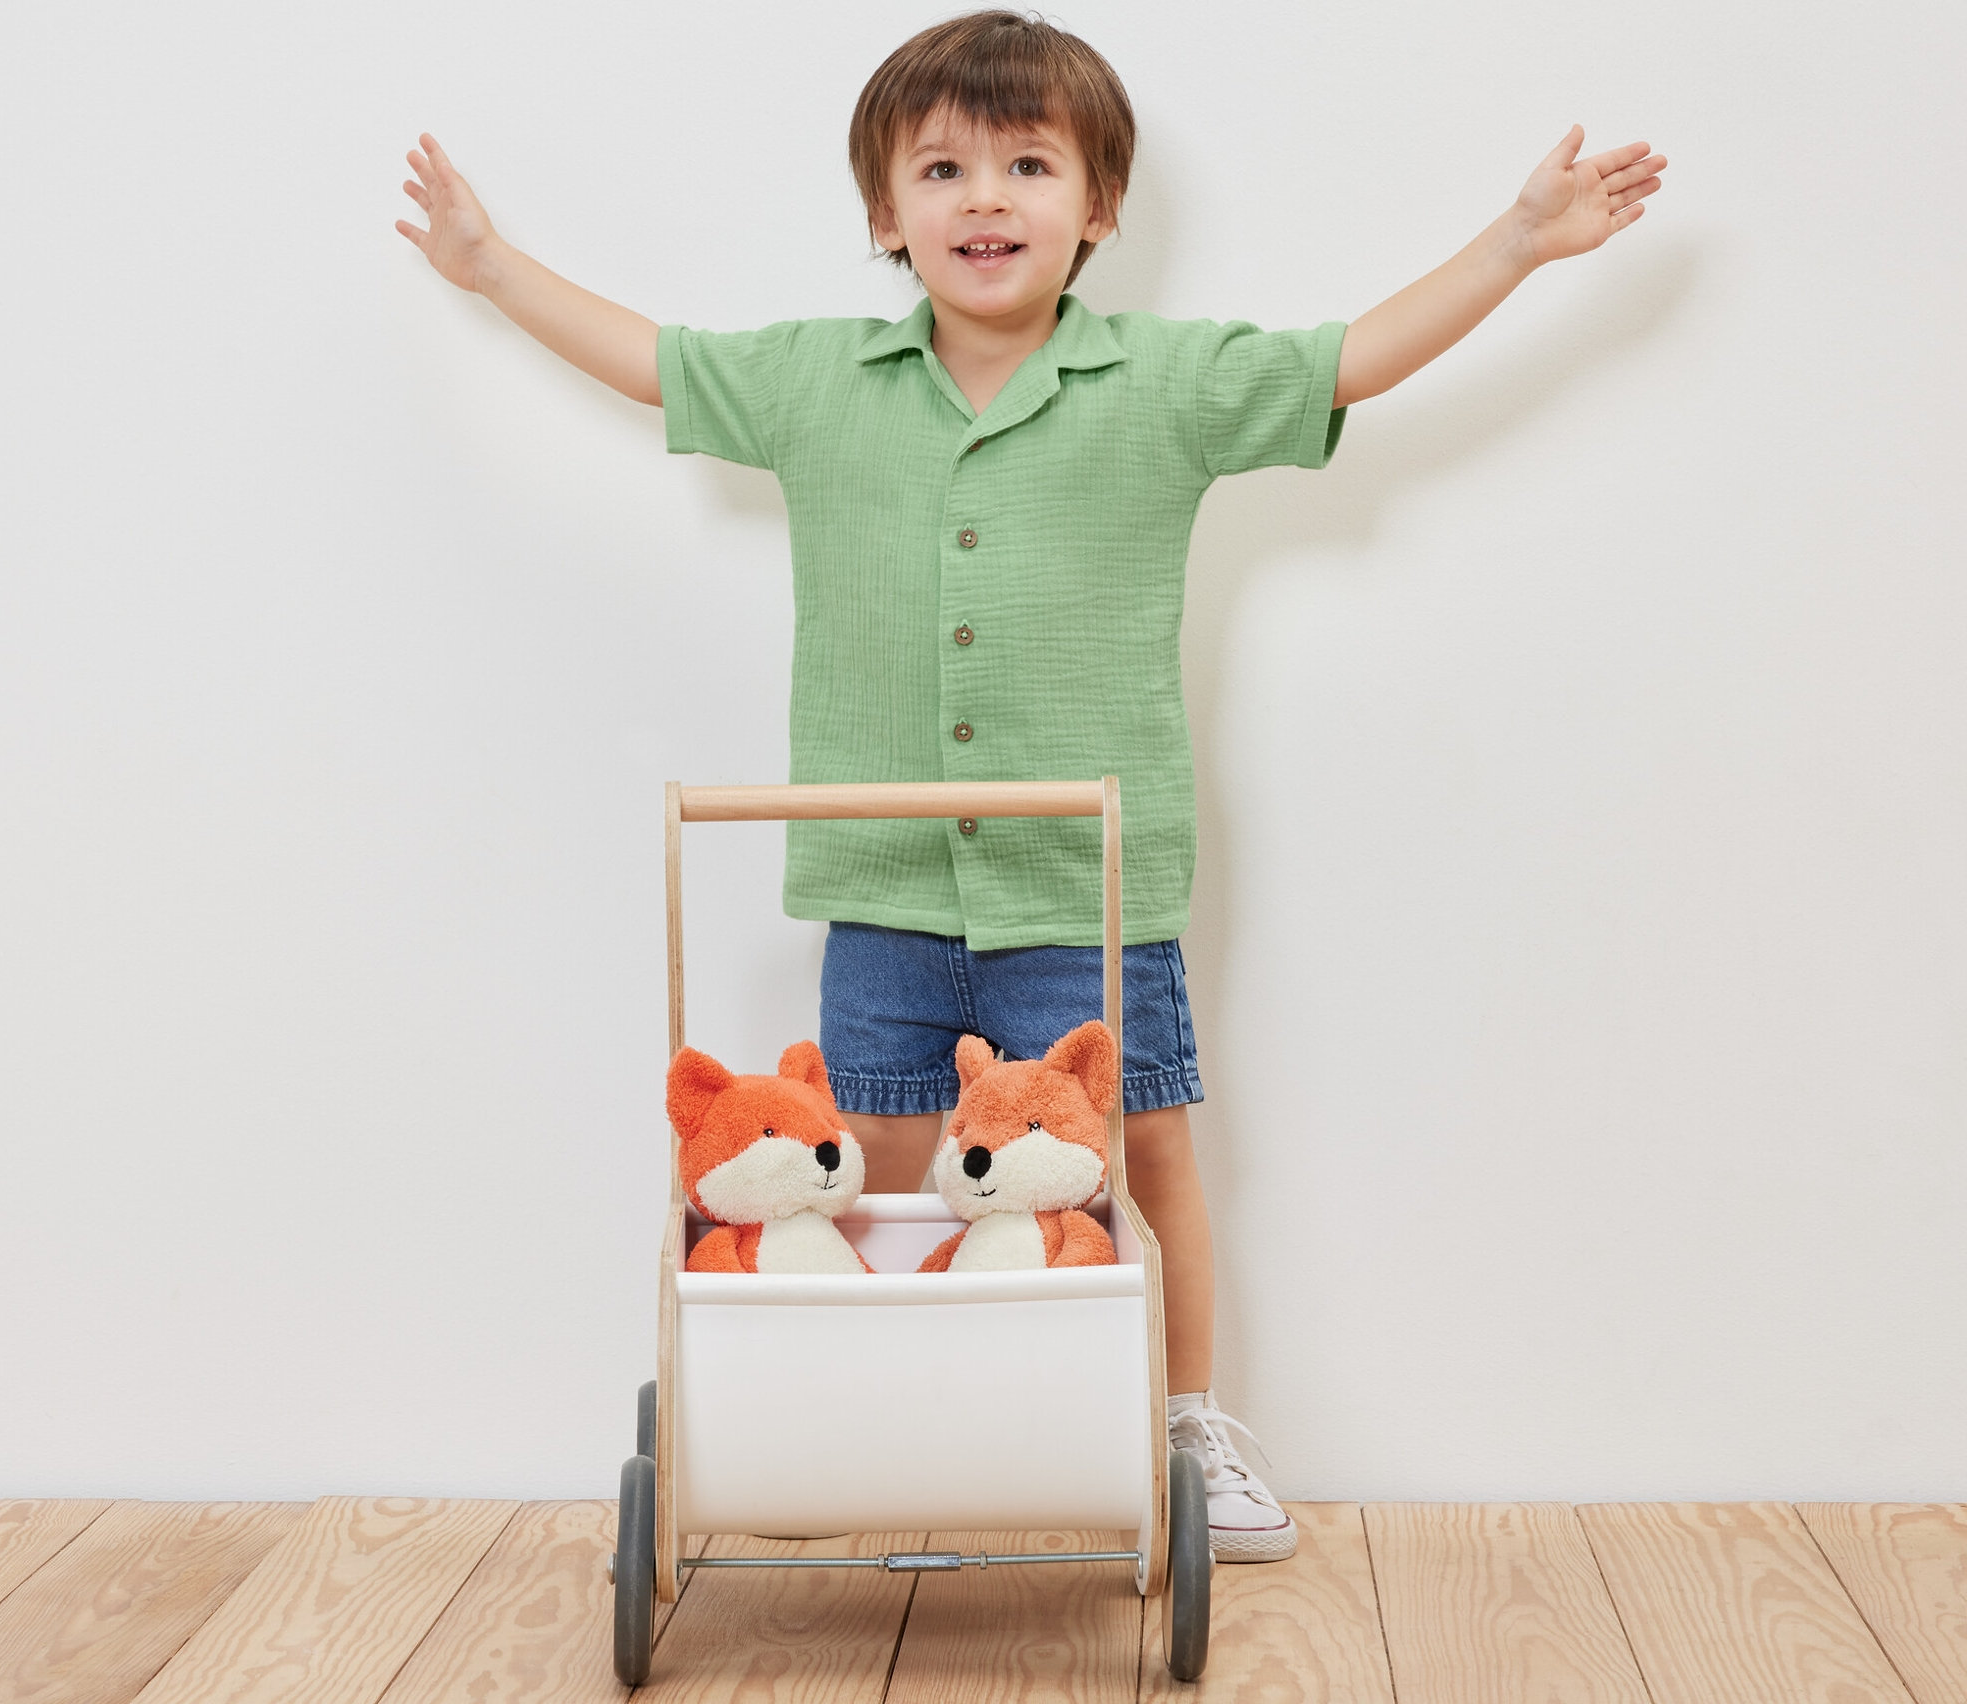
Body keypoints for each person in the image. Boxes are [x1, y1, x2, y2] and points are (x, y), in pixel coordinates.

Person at [396, 9, 1664, 1561]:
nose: (983, 196)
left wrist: (1516, 243)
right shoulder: (814, 384)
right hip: (881, 884)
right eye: (940, 168)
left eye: (1027, 163)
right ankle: (925, 1437)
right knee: (890, 1167)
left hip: (1090, 880)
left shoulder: (1169, 384)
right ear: (885, 214)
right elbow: (655, 365)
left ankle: (1186, 1426)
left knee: (1142, 1153)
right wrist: (490, 266)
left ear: (1099, 206)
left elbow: (1352, 360)